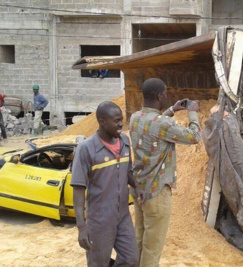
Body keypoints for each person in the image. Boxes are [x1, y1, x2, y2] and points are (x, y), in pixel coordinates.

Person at [129, 78, 201, 267]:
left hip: (139, 189)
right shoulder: (162, 124)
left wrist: (171, 110)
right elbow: (194, 137)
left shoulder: (134, 117)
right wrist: (193, 114)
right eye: (165, 93)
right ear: (159, 96)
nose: (167, 96)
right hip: (157, 193)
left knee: (140, 238)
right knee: (152, 249)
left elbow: (154, 125)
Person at [71, 101, 139, 267]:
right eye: (116, 121)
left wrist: (138, 187)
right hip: (100, 219)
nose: (121, 124)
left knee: (132, 259)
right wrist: (81, 227)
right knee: (98, 262)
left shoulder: (124, 141)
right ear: (102, 121)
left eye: (121, 120)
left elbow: (127, 171)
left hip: (122, 215)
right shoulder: (86, 149)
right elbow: (78, 189)